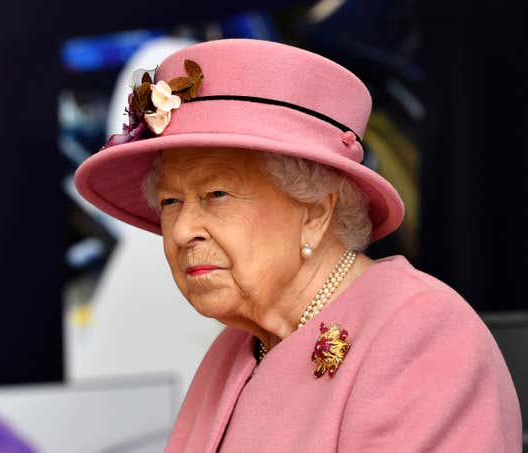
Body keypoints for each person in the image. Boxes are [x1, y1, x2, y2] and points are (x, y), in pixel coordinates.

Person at [74, 38, 522, 452]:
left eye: (217, 195)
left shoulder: (421, 335)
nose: (182, 229)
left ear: (315, 210)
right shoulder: (233, 351)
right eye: (171, 201)